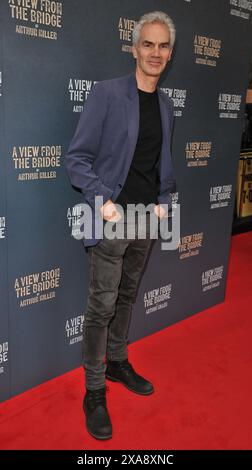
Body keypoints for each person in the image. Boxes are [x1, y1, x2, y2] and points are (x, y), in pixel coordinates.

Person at [65, 10, 176, 440]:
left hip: (148, 218)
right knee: (101, 306)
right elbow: (76, 158)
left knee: (127, 296)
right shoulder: (108, 94)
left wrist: (165, 202)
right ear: (134, 48)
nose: (155, 52)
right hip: (113, 219)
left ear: (170, 53)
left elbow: (160, 159)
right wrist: (103, 202)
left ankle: (116, 363)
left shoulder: (166, 105)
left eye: (163, 45)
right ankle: (94, 391)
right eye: (147, 44)